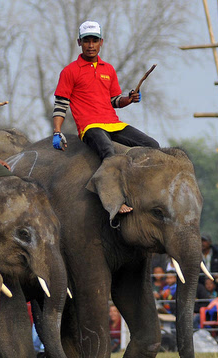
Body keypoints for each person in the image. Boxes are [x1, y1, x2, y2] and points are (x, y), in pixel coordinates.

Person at [52, 20, 159, 214]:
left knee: (153, 145)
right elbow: (61, 104)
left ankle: (145, 191)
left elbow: (114, 101)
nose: (90, 45)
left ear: (101, 42)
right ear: (79, 42)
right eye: (86, 41)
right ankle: (114, 200)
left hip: (113, 124)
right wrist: (57, 132)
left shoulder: (108, 69)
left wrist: (129, 99)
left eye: (94, 40)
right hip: (90, 126)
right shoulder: (69, 71)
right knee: (109, 152)